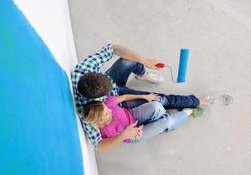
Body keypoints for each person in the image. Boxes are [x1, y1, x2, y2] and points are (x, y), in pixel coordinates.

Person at [71, 43, 231, 150]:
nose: (109, 111)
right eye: (106, 111)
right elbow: (99, 145)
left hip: (117, 93)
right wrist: (124, 135)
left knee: (127, 61)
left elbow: (112, 48)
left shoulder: (84, 70)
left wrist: (144, 60)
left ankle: (142, 73)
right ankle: (199, 101)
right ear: (97, 101)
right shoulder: (87, 113)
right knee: (161, 100)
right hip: (122, 106)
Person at [82, 94, 204, 147]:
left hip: (133, 115)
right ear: (100, 120)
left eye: (107, 108)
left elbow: (124, 97)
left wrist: (144, 97)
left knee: (157, 106)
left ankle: (158, 126)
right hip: (132, 135)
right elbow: (103, 146)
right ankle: (187, 112)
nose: (110, 110)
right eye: (107, 113)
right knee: (167, 122)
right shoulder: (102, 131)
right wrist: (128, 134)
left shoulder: (107, 104)